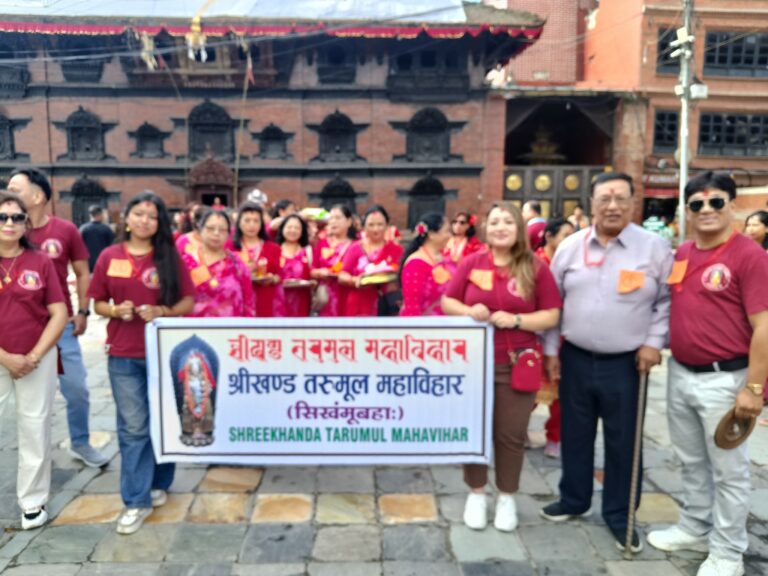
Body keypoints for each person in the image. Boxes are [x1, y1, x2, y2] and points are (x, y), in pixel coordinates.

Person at [540, 172, 674, 553]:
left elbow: (666, 301)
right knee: (575, 434)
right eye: (604, 199)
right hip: (575, 357)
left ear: (633, 203)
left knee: (624, 441)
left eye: (620, 199)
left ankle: (619, 515)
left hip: (628, 364)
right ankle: (574, 499)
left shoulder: (654, 248)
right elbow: (554, 303)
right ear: (591, 203)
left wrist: (653, 343)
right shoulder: (570, 247)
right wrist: (551, 351)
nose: (612, 206)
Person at [647, 172, 768, 576]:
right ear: (687, 210)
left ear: (732, 205)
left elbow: (765, 326)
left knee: (730, 472)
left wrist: (754, 388)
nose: (706, 210)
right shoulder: (683, 253)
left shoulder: (750, 256)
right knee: (690, 460)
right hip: (681, 373)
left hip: (726, 379)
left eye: (716, 201)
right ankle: (695, 528)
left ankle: (728, 552)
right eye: (697, 204)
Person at [442, 202, 561, 532]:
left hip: (516, 363)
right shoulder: (471, 263)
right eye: (494, 222)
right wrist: (469, 311)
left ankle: (507, 496)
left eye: (508, 221)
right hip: (472, 364)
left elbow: (552, 313)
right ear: (485, 229)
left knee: (510, 434)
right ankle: (476, 493)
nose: (500, 227)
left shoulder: (535, 267)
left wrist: (518, 319)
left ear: (519, 228)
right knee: (474, 430)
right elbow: (448, 301)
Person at [88, 191, 194, 535]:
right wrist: (115, 310)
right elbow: (97, 302)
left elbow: (188, 301)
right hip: (124, 353)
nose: (145, 221)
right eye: (138, 214)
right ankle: (136, 500)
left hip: (164, 352)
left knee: (165, 420)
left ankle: (159, 481)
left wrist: (162, 310)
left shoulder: (169, 257)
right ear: (127, 218)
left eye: (152, 215)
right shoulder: (110, 255)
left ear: (160, 222)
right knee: (133, 427)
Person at [8, 168, 108, 468]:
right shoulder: (8, 230)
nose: (8, 194)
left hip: (59, 326)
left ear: (38, 196)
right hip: (14, 328)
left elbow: (82, 273)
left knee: (76, 388)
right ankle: (33, 454)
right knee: (26, 400)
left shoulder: (65, 230)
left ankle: (80, 442)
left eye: (15, 189)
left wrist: (83, 310)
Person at [0, 191, 68, 530]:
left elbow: (59, 312)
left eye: (17, 217)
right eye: (3, 217)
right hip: (1, 357)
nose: (10, 223)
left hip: (36, 357)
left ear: (27, 223)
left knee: (35, 427)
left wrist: (33, 356)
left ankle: (32, 501)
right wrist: (6, 358)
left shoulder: (40, 261)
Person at [533, 217, 575, 459]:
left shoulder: (573, 262)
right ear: (548, 237)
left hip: (563, 335)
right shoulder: (533, 263)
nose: (570, 240)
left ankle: (555, 437)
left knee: (561, 393)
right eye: (565, 235)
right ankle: (516, 432)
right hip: (535, 335)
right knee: (527, 390)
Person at [181, 210, 254, 318]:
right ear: (200, 230)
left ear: (228, 234)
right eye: (210, 228)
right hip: (195, 326)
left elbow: (248, 300)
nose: (216, 233)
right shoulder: (188, 261)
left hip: (231, 326)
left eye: (222, 230)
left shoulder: (236, 263)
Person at [340, 205, 404, 317]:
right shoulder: (354, 248)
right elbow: (342, 275)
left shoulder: (397, 250)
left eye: (380, 224)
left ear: (387, 225)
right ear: (363, 226)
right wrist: (356, 280)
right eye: (371, 225)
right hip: (360, 305)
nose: (375, 229)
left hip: (389, 305)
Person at [228, 202, 281, 317]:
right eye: (247, 220)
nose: (251, 225)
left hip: (265, 299)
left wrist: (272, 278)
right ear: (239, 222)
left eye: (256, 221)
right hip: (237, 300)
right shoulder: (229, 248)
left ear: (262, 223)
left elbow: (280, 275)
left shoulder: (273, 248)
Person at [399, 213, 452, 316]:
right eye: (446, 231)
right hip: (425, 323)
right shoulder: (415, 264)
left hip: (448, 322)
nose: (450, 235)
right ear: (431, 235)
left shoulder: (446, 259)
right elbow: (412, 307)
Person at [311, 204, 356, 317]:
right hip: (325, 296)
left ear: (349, 222)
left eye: (338, 218)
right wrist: (320, 272)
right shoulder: (321, 244)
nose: (334, 221)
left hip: (347, 295)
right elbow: (312, 270)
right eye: (331, 218)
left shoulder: (356, 246)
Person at [275, 214, 314, 317]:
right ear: (282, 229)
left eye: (297, 228)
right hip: (278, 302)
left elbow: (313, 273)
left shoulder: (308, 251)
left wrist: (313, 282)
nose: (293, 230)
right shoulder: (274, 250)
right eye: (289, 227)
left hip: (302, 302)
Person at [79, 205, 115, 272]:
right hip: (103, 263)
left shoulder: (83, 229)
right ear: (100, 215)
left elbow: (78, 247)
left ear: (90, 215)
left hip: (87, 264)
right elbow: (112, 247)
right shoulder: (106, 229)